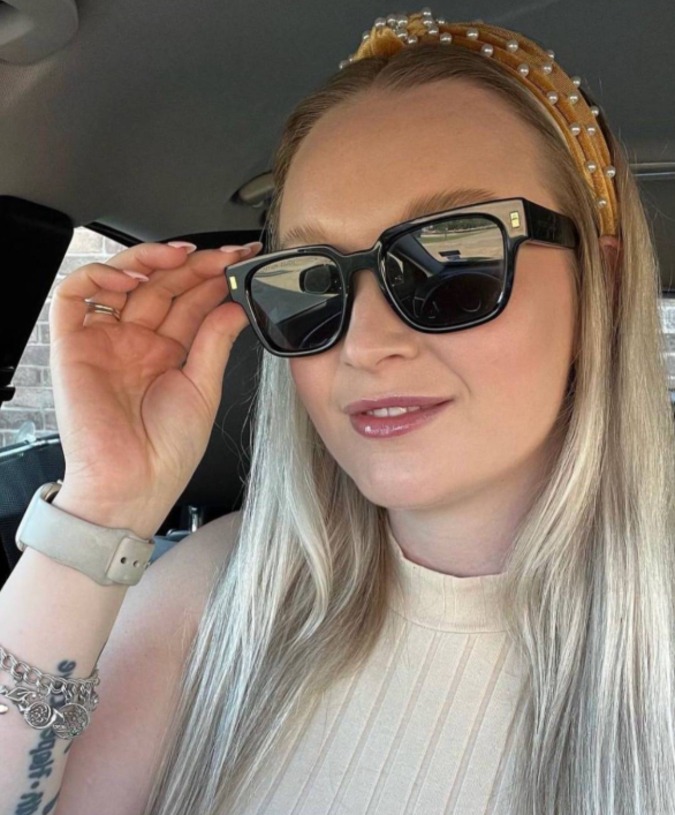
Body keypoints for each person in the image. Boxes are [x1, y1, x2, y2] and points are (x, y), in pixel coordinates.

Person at [1, 9, 674, 815]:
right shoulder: (217, 591)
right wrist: (105, 503)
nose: (363, 343)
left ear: (599, 285)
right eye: (309, 281)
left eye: (450, 260)